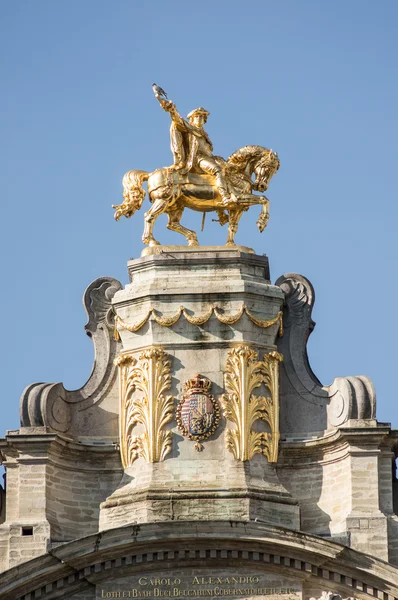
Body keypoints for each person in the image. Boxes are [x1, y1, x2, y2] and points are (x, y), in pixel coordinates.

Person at [159, 99, 236, 205]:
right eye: (197, 116)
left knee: (228, 170)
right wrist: (172, 109)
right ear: (192, 119)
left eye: (202, 117)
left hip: (209, 158)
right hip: (198, 159)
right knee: (218, 170)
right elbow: (178, 120)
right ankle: (224, 197)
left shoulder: (204, 133)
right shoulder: (190, 129)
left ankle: (222, 210)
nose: (200, 118)